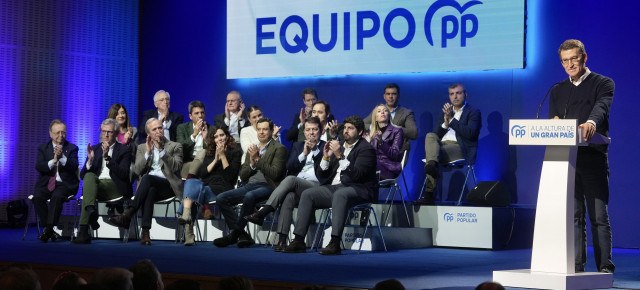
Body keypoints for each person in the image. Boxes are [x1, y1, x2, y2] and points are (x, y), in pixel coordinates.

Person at [550, 39, 614, 273]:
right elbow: (554, 120)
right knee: (574, 216)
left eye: (574, 59)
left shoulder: (603, 83)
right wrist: (554, 124)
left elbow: (602, 107)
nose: (570, 64)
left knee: (598, 216)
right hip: (567, 159)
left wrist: (590, 122)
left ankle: (605, 267)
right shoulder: (557, 90)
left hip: (592, 158)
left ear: (584, 58)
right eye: (565, 61)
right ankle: (576, 266)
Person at [283, 115, 378, 255]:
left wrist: (339, 155)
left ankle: (334, 242)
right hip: (335, 187)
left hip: (358, 189)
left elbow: (356, 175)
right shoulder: (337, 146)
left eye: (350, 128)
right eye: (345, 127)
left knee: (340, 194)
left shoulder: (366, 149)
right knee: (308, 194)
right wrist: (326, 157)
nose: (346, 131)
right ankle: (298, 240)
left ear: (359, 132)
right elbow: (322, 176)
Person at [243, 117, 328, 251]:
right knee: (288, 196)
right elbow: (289, 167)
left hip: (317, 187)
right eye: (308, 130)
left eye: (315, 129)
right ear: (304, 132)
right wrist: (303, 155)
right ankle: (282, 240)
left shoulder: (326, 146)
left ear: (321, 131)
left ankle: (264, 211)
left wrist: (316, 151)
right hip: (298, 188)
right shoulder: (298, 146)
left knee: (290, 180)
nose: (311, 133)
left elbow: (326, 173)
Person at [213, 117, 287, 248]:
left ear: (271, 131)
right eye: (259, 129)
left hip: (269, 186)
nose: (261, 132)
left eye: (265, 129)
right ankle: (242, 233)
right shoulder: (252, 148)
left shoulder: (279, 149)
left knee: (250, 197)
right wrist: (252, 165)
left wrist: (258, 160)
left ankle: (233, 235)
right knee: (221, 198)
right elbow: (243, 175)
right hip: (250, 185)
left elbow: (275, 174)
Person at [108, 118, 183, 245]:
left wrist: (161, 150)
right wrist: (148, 153)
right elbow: (137, 170)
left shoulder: (175, 146)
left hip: (168, 187)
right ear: (149, 134)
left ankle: (128, 214)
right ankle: (145, 233)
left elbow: (176, 167)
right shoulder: (142, 148)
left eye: (160, 128)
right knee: (150, 190)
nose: (159, 131)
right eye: (155, 129)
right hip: (149, 187)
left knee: (148, 179)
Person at [416, 83, 481, 205]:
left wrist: (451, 120)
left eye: (458, 93)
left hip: (461, 149)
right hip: (442, 146)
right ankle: (432, 165)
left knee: (432, 157)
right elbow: (436, 135)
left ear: (465, 95)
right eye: (452, 94)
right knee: (430, 136)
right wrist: (445, 123)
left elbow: (470, 134)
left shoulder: (473, 112)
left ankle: (428, 194)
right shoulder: (446, 112)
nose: (455, 97)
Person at [177, 126, 242, 246]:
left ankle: (188, 228)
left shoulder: (235, 151)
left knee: (193, 194)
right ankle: (186, 213)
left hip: (223, 189)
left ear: (227, 136)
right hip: (206, 186)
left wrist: (222, 156)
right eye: (216, 137)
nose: (219, 139)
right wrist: (215, 160)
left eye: (222, 135)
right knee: (191, 182)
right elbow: (202, 174)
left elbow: (230, 177)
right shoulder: (210, 151)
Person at [73, 118, 132, 244]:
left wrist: (107, 159)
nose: (105, 135)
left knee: (88, 193)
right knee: (89, 177)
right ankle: (90, 211)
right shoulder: (95, 149)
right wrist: (89, 160)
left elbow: (124, 174)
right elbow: (83, 175)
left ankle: (83, 231)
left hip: (115, 188)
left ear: (116, 133)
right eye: (103, 131)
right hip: (97, 187)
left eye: (109, 132)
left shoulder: (124, 150)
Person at [33, 119, 79, 242]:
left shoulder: (72, 148)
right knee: (37, 197)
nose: (60, 135)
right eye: (57, 132)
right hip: (47, 183)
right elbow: (39, 166)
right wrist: (53, 161)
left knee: (57, 196)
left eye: (63, 132)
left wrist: (62, 157)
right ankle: (49, 229)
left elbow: (74, 166)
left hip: (65, 184)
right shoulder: (43, 148)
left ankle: (48, 230)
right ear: (50, 134)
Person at [363, 83, 418, 152]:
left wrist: (392, 128)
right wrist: (376, 127)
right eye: (388, 94)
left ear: (399, 96)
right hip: (376, 149)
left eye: (394, 94)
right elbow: (362, 124)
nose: (390, 96)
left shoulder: (406, 113)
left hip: (396, 151)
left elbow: (413, 133)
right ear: (384, 96)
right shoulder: (378, 111)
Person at [364, 104, 404, 180]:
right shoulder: (371, 133)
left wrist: (381, 142)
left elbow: (395, 155)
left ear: (389, 115)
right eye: (379, 111)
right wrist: (367, 145)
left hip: (388, 168)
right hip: (373, 166)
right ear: (375, 117)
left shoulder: (397, 131)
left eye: (385, 111)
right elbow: (369, 155)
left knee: (367, 164)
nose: (382, 112)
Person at [177, 101, 215, 178]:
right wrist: (194, 134)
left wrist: (206, 139)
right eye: (196, 113)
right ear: (190, 116)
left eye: (202, 113)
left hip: (206, 162)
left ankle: (189, 180)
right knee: (197, 167)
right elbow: (180, 148)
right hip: (188, 161)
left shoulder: (212, 129)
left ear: (205, 114)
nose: (200, 115)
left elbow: (214, 151)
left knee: (202, 152)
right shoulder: (182, 128)